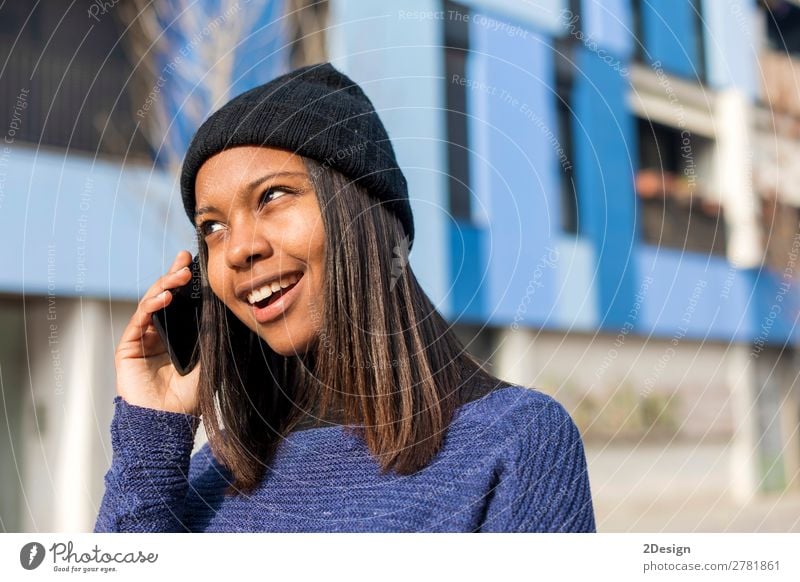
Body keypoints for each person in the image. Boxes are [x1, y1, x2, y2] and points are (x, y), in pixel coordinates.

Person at [94, 62, 596, 533]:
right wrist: (152, 430)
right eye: (213, 227)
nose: (240, 249)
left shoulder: (514, 441)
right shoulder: (210, 477)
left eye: (272, 196)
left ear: (366, 213)